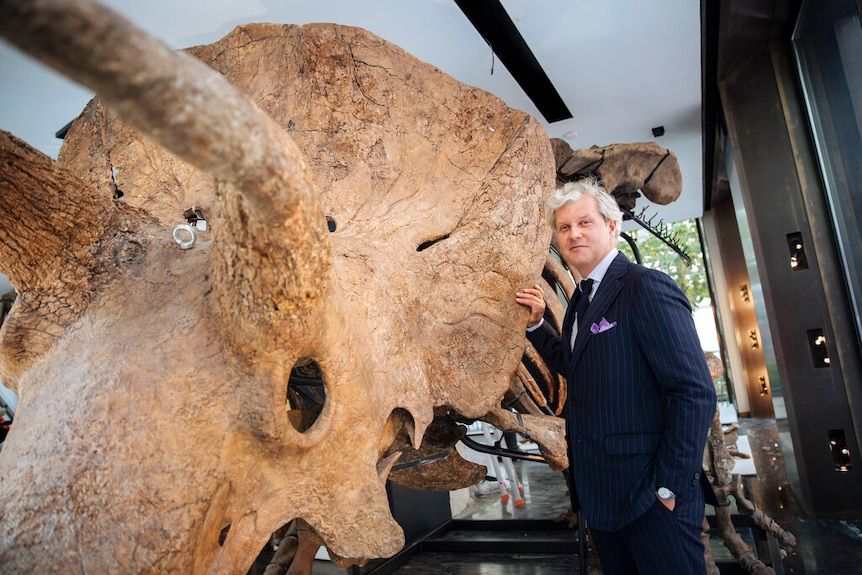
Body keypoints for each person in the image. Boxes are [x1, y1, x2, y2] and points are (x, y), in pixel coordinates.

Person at [516, 178, 717, 574]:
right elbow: (577, 364)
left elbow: (693, 393)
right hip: (603, 501)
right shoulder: (579, 301)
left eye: (584, 223)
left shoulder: (646, 287)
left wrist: (667, 489)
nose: (574, 234)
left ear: (611, 226)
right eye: (564, 227)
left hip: (652, 502)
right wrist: (537, 326)